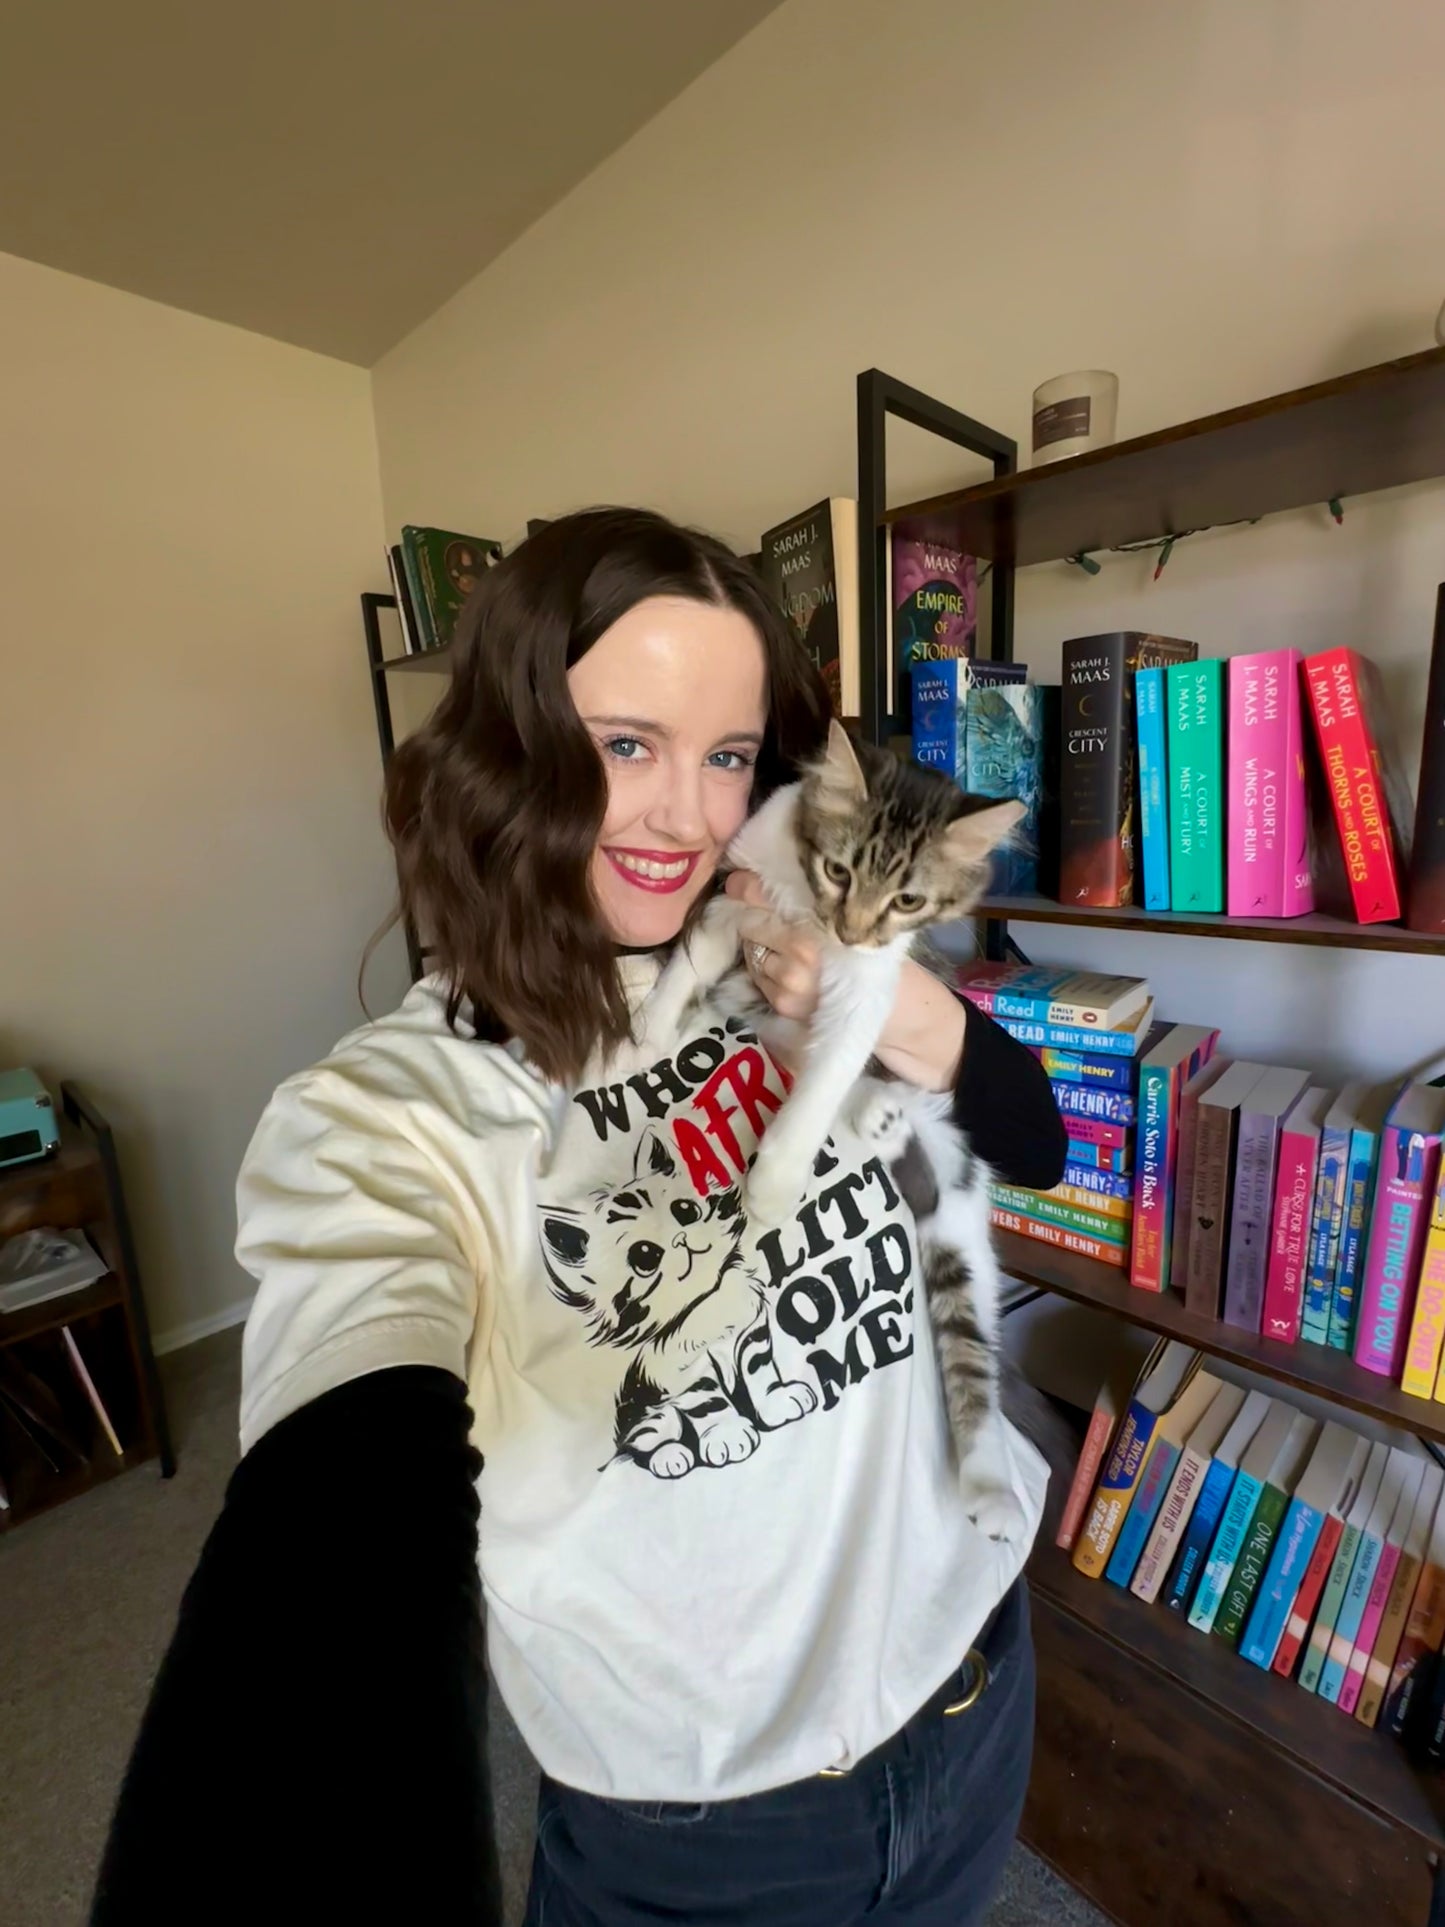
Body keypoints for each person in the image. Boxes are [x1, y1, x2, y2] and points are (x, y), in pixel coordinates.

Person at [90, 508, 1067, 1927]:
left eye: (727, 756)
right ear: (509, 752)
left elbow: (1029, 1138)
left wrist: (900, 1005)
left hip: (974, 1688)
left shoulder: (777, 948)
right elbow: (339, 1517)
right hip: (710, 1832)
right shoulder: (392, 1113)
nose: (686, 817)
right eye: (626, 745)